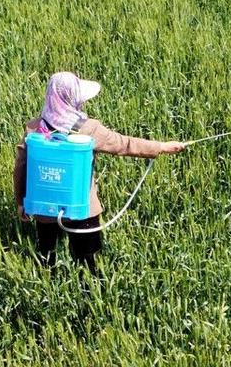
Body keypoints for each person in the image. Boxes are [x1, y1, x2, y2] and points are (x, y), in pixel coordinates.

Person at [13, 71, 185, 274]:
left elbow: (20, 168)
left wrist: (21, 202)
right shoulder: (88, 129)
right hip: (82, 209)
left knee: (46, 256)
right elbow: (124, 144)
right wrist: (161, 147)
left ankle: (50, 288)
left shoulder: (34, 130)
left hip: (45, 209)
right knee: (89, 261)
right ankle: (90, 296)